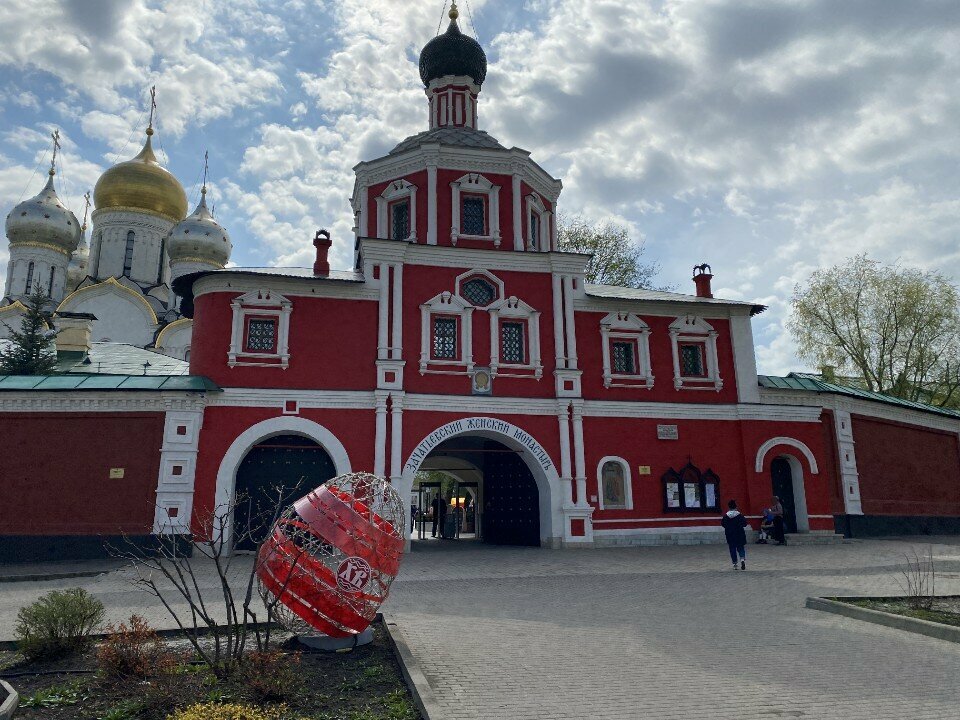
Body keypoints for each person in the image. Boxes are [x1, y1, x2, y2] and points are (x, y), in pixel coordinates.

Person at [721, 499, 749, 570]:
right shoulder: (739, 515)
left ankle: (735, 564)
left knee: (732, 549)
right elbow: (745, 523)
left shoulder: (726, 516)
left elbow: (723, 524)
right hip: (739, 533)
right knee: (740, 547)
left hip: (730, 535)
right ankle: (742, 560)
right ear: (735, 506)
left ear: (729, 507)